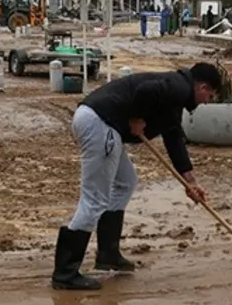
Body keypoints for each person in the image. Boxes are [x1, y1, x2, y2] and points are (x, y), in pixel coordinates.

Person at [52, 63, 222, 290]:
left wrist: (190, 183)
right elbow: (145, 92)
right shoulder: (179, 88)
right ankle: (65, 273)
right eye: (209, 95)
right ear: (201, 87)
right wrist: (135, 117)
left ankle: (108, 254)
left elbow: (174, 139)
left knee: (125, 182)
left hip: (98, 121)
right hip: (100, 123)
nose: (206, 102)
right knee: (94, 200)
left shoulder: (175, 95)